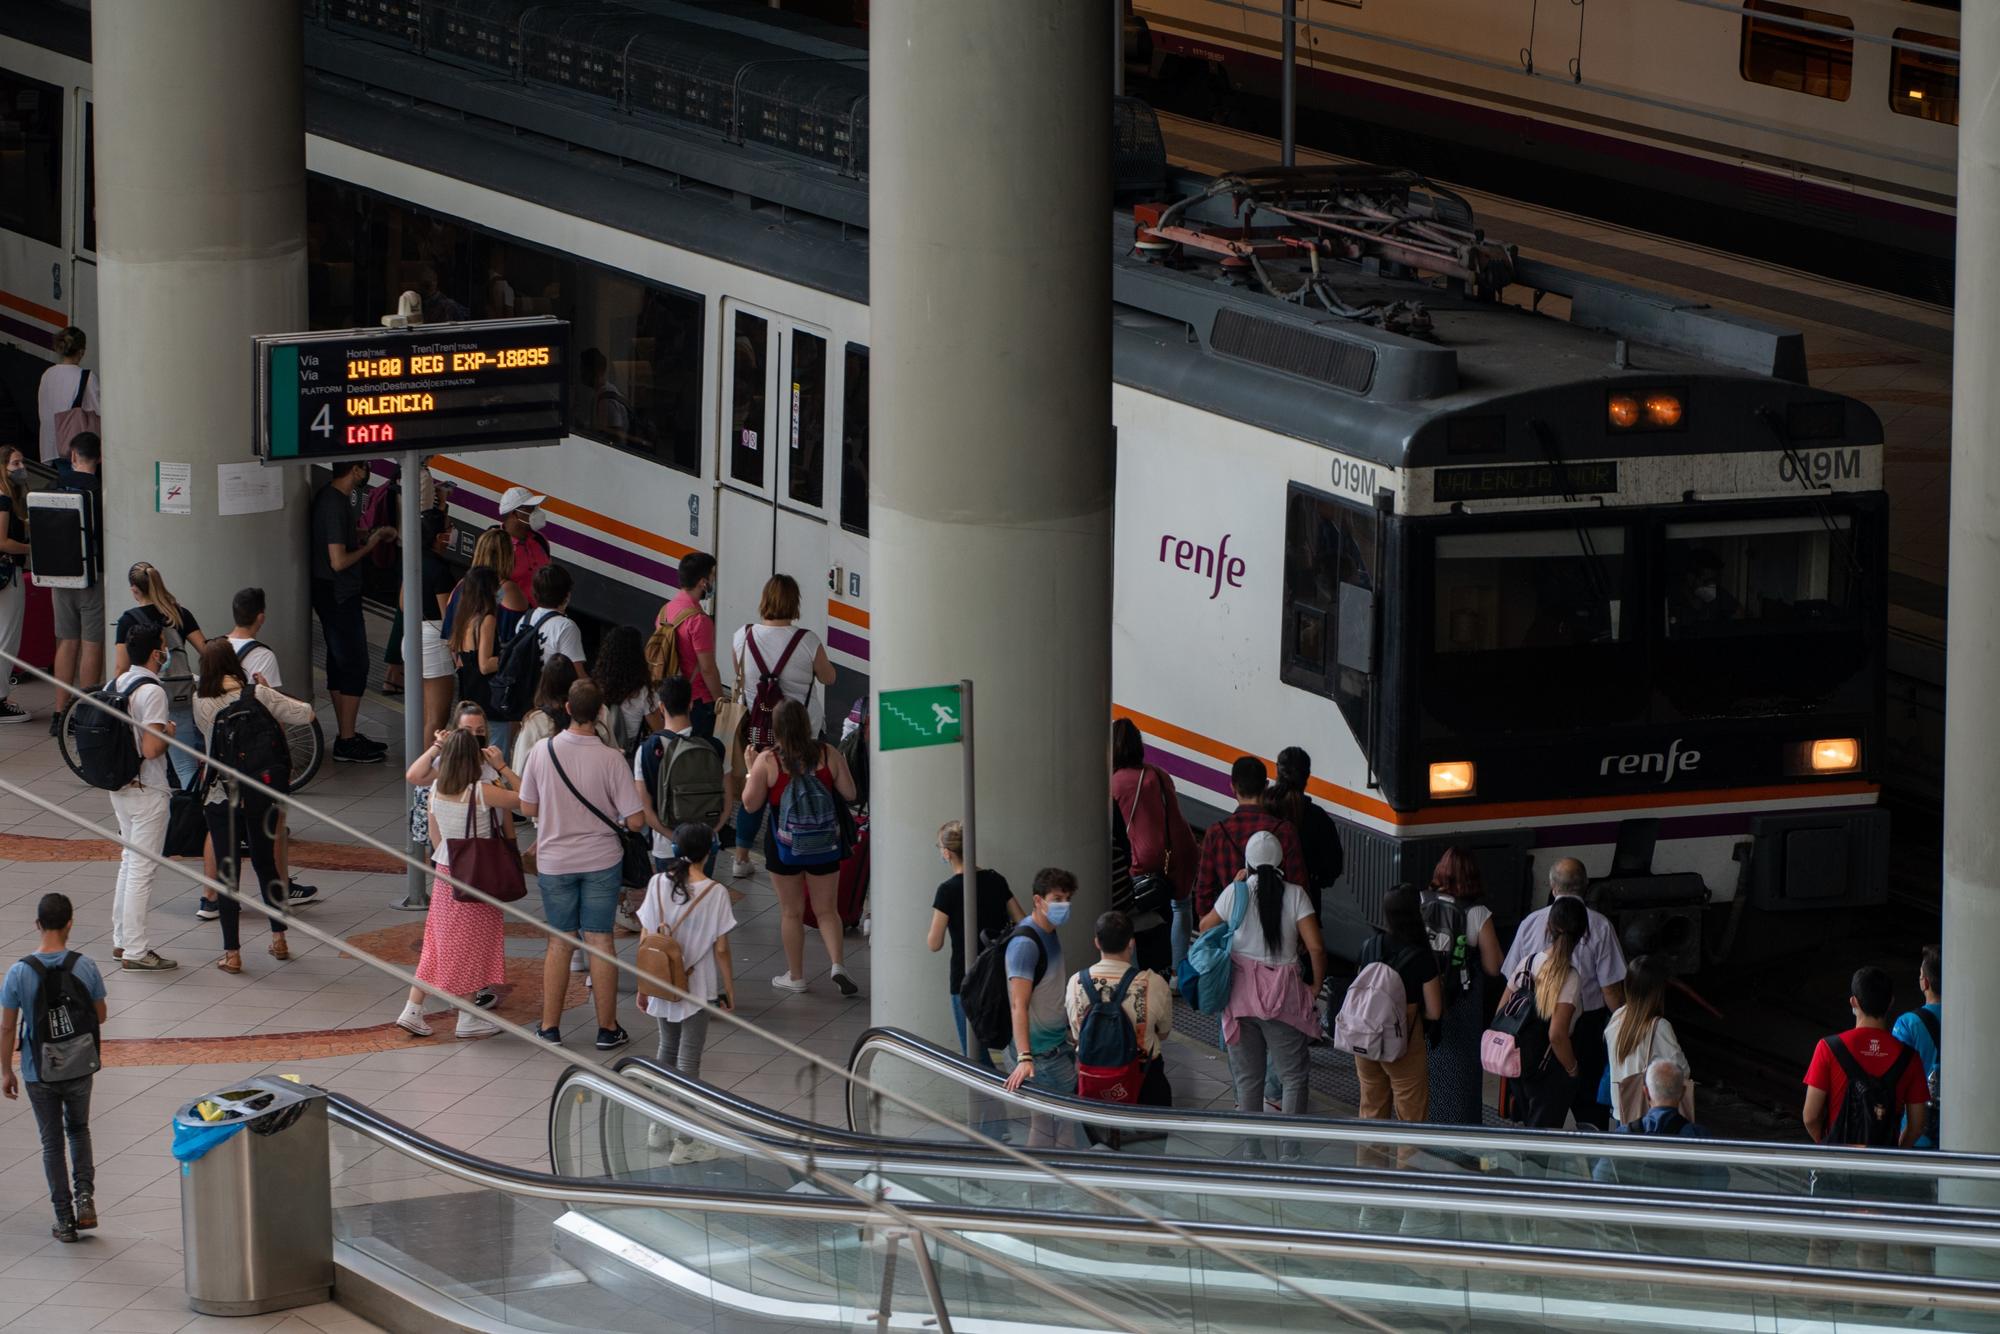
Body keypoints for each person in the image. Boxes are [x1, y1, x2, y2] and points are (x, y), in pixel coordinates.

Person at [516, 679, 645, 1050]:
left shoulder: (542, 751)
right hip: (602, 861)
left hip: (555, 861)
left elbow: (527, 807)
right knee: (600, 939)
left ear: (568, 709)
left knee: (560, 941)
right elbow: (635, 821)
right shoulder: (611, 758)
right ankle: (607, 1029)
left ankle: (549, 1027)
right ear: (601, 712)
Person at [192, 640, 318, 972]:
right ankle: (279, 938)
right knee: (266, 863)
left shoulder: (200, 700)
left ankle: (232, 953)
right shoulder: (257, 694)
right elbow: (306, 714)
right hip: (260, 791)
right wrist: (265, 691)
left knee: (228, 873)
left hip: (221, 794)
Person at [391, 729, 519, 1040]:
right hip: (479, 875)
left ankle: (413, 1009)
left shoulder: (436, 789)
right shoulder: (481, 791)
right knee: (472, 946)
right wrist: (502, 767)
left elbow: (436, 838)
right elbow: (530, 801)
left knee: (438, 943)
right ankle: (467, 1018)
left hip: (447, 870)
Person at [1, 893, 108, 1241]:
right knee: (79, 1130)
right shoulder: (85, 965)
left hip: (38, 1070)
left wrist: (6, 1070)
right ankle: (86, 1199)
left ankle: (64, 1218)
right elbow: (100, 1015)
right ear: (69, 924)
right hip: (79, 1065)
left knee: (52, 1144)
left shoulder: (19, 972)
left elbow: (6, 1027)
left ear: (37, 924)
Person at [1201, 832, 1327, 1125]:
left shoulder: (1236, 892)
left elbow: (1205, 926)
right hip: (1284, 998)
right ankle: (1290, 1154)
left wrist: (1234, 888)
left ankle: (1251, 1152)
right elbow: (1316, 947)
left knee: (1248, 1080)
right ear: (1281, 861)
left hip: (1240, 998)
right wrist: (1316, 986)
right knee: (1293, 1076)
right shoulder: (1296, 895)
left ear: (1249, 861)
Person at [741, 698, 860, 996]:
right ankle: (837, 965)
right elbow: (850, 793)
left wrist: (748, 769)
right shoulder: (827, 753)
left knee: (791, 912)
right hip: (824, 845)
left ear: (775, 728)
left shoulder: (768, 760)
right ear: (807, 724)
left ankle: (796, 977)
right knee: (827, 911)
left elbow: (750, 804)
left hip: (784, 848)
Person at [1501, 858, 1627, 1130]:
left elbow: (1507, 992)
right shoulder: (1600, 927)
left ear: (1552, 886)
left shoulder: (1531, 922)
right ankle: (1592, 1159)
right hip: (1582, 1031)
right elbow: (1611, 991)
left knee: (1536, 1113)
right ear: (1586, 886)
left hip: (1530, 1029)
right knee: (1589, 1107)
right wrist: (1624, 1029)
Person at [636, 822, 736, 1163]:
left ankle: (657, 1124)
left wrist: (643, 983)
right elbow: (721, 949)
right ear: (708, 853)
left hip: (662, 982)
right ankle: (686, 1140)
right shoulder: (715, 892)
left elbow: (646, 936)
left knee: (666, 1049)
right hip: (697, 986)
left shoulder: (656, 883)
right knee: (689, 1061)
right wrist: (729, 990)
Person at [729, 574, 835, 877]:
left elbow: (738, 673)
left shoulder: (742, 636)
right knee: (804, 788)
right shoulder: (808, 641)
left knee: (757, 787)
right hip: (806, 731)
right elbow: (829, 678)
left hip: (761, 727)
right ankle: (805, 847)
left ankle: (740, 858)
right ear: (795, 603)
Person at [310, 458, 393, 762]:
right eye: (365, 466)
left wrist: (367, 534)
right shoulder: (334, 504)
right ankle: (346, 739)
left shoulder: (331, 498)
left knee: (339, 661)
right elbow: (339, 561)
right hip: (339, 593)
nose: (367, 471)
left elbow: (340, 541)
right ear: (355, 470)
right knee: (356, 663)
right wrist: (370, 545)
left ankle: (347, 733)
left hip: (330, 592)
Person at [105, 622, 178, 972]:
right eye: (163, 647)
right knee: (141, 871)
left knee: (128, 862)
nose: (166, 653)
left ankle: (122, 941)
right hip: (147, 789)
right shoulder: (152, 692)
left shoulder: (115, 683)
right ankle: (135, 949)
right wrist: (169, 734)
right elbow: (151, 748)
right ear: (155, 653)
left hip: (119, 788)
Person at [1803, 965, 1929, 1150]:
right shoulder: (1909, 1057)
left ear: (1854, 1002)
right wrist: (1897, 1152)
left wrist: (1828, 1145)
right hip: (1883, 1168)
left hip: (1838, 1164)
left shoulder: (1828, 1048)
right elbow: (1917, 1125)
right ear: (1891, 1002)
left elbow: (1810, 1117)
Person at [927, 818, 1022, 1061]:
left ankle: (986, 1092)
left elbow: (934, 943)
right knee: (1011, 1036)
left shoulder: (947, 890)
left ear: (947, 853)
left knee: (974, 1049)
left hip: (965, 976)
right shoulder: (996, 879)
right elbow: (1021, 920)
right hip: (1000, 970)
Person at [1423, 847, 1504, 1126]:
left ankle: (1424, 1122)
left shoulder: (1421, 902)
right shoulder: (1477, 913)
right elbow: (1494, 967)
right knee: (1460, 1071)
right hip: (1462, 1003)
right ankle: (1458, 1129)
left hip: (1424, 995)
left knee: (1425, 1064)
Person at [1352, 883, 1444, 1128]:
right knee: (1411, 1119)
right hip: (1403, 1041)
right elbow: (1434, 1011)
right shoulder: (1422, 956)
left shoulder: (1369, 946)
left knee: (1371, 1112)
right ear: (1417, 913)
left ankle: (1370, 1166)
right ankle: (1405, 1167)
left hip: (1365, 1037)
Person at [1109, 718, 1196, 976]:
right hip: (1181, 849)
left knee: (1129, 915)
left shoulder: (1115, 782)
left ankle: (1133, 975)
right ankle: (1179, 975)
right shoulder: (1158, 773)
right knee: (1181, 906)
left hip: (1144, 856)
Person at [1496, 895, 1588, 1129]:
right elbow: (1557, 1034)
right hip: (1549, 1070)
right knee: (1543, 1142)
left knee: (1529, 1135)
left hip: (1519, 1064)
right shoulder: (1570, 977)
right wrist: (1572, 1068)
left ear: (1549, 927)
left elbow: (1501, 1011)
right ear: (1583, 933)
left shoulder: (1527, 963)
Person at [1064, 909, 1174, 1101]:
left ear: (1097, 942)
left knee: (1095, 1128)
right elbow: (1163, 1033)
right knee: (1150, 1128)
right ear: (1131, 943)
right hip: (1145, 1078)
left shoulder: (1076, 982)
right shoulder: (1154, 983)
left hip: (1092, 1078)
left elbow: (1076, 1035)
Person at [634, 675, 725, 876]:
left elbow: (647, 811)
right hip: (705, 843)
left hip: (666, 847)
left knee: (670, 904)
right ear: (691, 705)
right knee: (700, 902)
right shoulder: (714, 747)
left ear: (661, 707)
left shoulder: (648, 750)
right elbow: (726, 799)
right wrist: (709, 833)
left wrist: (675, 838)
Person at [1193, 757, 1305, 918]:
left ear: (1232, 787)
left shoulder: (1216, 833)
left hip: (1232, 927)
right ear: (1266, 786)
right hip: (1275, 928)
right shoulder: (1285, 832)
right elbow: (1298, 887)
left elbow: (1204, 895)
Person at [1002, 868, 1079, 1103]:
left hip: (1054, 1045)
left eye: (1067, 900)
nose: (1064, 905)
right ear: (1038, 900)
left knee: (1044, 1123)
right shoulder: (1026, 944)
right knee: (1066, 1123)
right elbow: (1018, 1004)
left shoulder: (1049, 933)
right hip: (1040, 1054)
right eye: (1057, 900)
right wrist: (1025, 1058)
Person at [49, 431, 105, 736]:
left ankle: (59, 715)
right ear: (100, 458)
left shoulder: (55, 487)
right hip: (92, 577)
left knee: (66, 641)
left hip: (60, 576)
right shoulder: (101, 491)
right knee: (91, 643)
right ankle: (85, 713)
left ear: (73, 456)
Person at [1603, 955, 1690, 1127]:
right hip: (1651, 1117)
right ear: (1658, 991)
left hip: (1623, 1110)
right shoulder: (1659, 1027)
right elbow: (1682, 1070)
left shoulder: (1617, 1017)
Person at [1268, 747, 1343, 914]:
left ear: (1277, 770)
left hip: (1262, 905)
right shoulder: (1319, 818)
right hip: (1305, 907)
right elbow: (1333, 868)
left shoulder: (1263, 810)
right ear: (1307, 776)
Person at [655, 551, 722, 737]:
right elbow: (708, 669)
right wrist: (720, 701)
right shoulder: (699, 621)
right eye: (712, 577)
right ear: (703, 582)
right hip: (698, 702)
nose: (713, 582)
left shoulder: (665, 611)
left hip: (671, 699)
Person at [510, 655, 614, 774]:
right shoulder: (599, 709)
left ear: (544, 683)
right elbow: (612, 750)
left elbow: (520, 768)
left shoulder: (535, 721)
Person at [1891, 945, 1942, 1150]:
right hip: (1964, 1131)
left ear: (1925, 982)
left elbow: (1895, 1078)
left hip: (1917, 1132)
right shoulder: (1969, 1020)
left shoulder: (1907, 1023)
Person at [413, 509, 457, 739]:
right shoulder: (440, 570)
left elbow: (403, 604)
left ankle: (417, 764)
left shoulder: (414, 561)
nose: (452, 532)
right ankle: (427, 771)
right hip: (434, 643)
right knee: (437, 719)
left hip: (412, 637)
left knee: (421, 715)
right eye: (449, 528)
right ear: (439, 537)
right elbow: (447, 616)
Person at [36, 326, 98, 464]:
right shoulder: (87, 377)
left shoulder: (48, 374)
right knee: (81, 481)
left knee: (65, 480)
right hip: (77, 445)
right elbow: (98, 409)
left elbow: (43, 407)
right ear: (81, 352)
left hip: (53, 443)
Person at [595, 624, 661, 755]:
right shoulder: (644, 691)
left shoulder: (597, 685)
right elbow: (659, 729)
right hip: (627, 753)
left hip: (601, 748)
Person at [0, 447, 30, 723]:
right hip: (7, 574)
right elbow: (2, 541)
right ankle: (0, 699)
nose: (21, 467)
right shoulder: (4, 500)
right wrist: (30, 548)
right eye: (15, 463)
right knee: (7, 637)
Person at [529, 564, 589, 676]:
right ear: (567, 595)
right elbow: (577, 675)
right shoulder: (566, 627)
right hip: (551, 692)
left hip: (525, 690)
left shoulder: (525, 619)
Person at [498, 486, 551, 605]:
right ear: (515, 513)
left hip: (538, 616)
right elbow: (493, 590)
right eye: (531, 509)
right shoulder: (499, 545)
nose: (537, 513)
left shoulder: (540, 540)